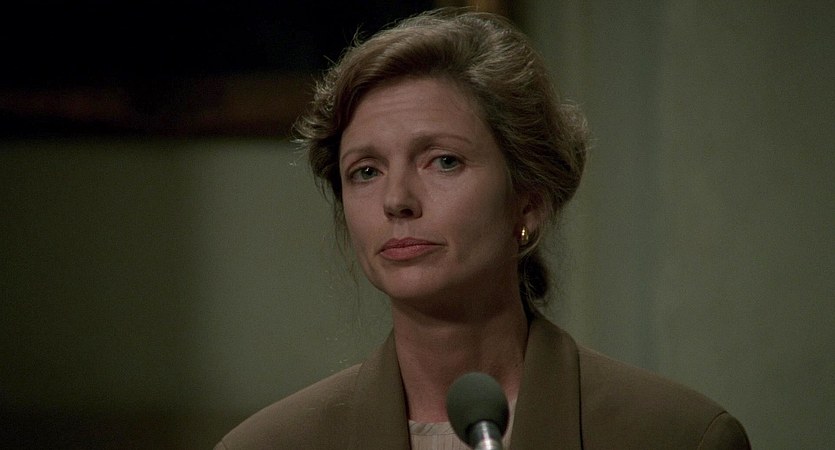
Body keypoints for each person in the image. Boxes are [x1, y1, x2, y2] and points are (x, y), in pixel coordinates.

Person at [216, 8, 750, 450]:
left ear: (528, 204)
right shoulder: (266, 445)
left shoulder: (680, 436)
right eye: (366, 171)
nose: (396, 200)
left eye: (443, 161)